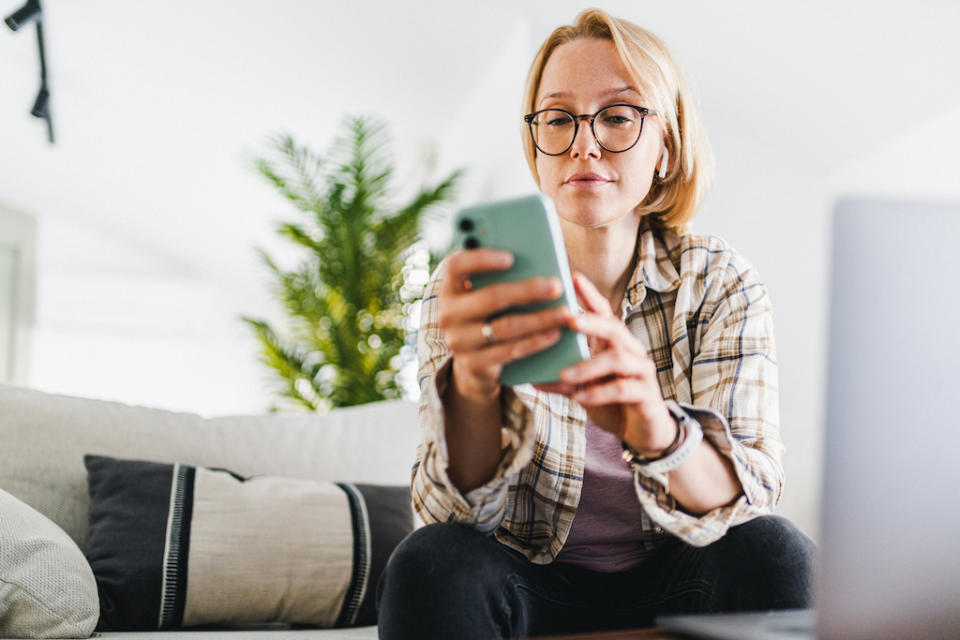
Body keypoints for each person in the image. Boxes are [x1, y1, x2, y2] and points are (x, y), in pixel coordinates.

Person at [377, 8, 814, 639]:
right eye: (559, 118)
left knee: (777, 552)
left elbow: (751, 496)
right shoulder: (471, 288)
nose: (584, 143)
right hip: (526, 580)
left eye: (616, 115)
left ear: (666, 146)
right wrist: (472, 390)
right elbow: (445, 513)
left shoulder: (720, 282)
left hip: (676, 576)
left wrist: (657, 427)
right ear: (537, 145)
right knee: (427, 562)